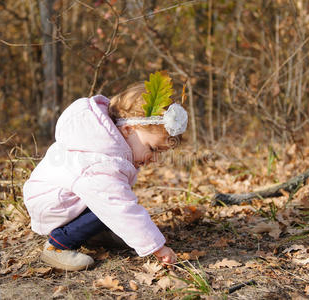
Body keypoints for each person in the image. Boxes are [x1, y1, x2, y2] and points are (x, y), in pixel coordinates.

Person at [23, 78, 188, 271]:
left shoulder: (108, 145)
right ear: (128, 130)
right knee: (112, 204)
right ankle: (58, 245)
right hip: (53, 204)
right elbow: (118, 207)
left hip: (65, 200)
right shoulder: (99, 159)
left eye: (160, 152)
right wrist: (157, 248)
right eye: (152, 148)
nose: (154, 158)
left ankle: (95, 235)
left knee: (110, 200)